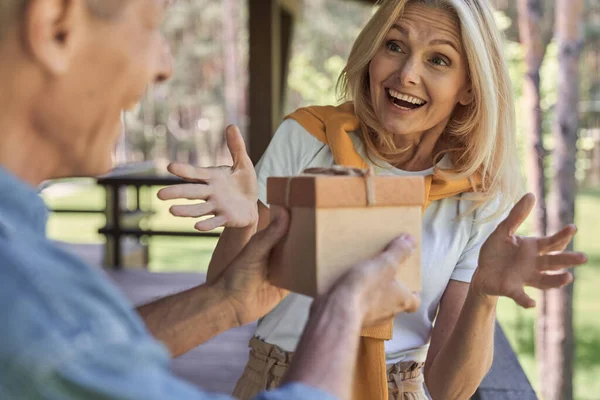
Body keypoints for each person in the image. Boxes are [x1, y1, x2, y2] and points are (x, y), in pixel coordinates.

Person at [160, 0, 588, 399]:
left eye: (438, 59)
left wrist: (484, 294)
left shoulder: (478, 199)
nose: (406, 74)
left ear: (468, 88)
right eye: (394, 45)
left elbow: (448, 389)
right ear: (371, 54)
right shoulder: (308, 138)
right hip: (277, 378)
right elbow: (227, 293)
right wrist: (242, 226)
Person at [0, 1, 425, 399]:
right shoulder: (26, 295)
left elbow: (89, 349)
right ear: (56, 28)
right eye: (152, 27)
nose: (164, 67)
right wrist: (342, 310)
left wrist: (226, 301)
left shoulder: (33, 293)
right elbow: (60, 343)